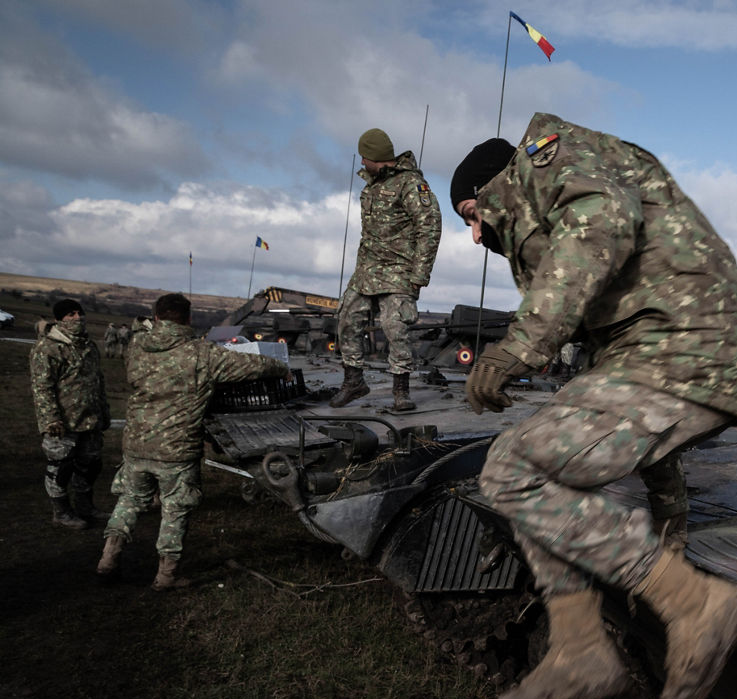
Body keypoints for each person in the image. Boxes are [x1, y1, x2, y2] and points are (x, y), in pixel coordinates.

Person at [450, 114, 737, 699]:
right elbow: (631, 415)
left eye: (470, 212)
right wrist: (670, 515)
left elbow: (597, 227)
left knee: (511, 468)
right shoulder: (560, 197)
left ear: (496, 184)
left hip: (686, 343)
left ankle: (690, 604)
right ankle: (578, 647)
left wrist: (522, 345)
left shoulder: (552, 160)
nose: (474, 233)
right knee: (533, 467)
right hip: (666, 350)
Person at [96, 293, 289, 590]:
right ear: (188, 318)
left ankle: (108, 559)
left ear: (156, 317)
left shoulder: (136, 348)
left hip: (136, 442)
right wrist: (281, 368)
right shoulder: (202, 354)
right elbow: (252, 366)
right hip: (176, 448)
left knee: (129, 501)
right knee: (175, 510)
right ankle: (166, 576)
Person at [330, 127, 441, 412]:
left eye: (364, 157)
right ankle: (354, 381)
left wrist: (419, 275)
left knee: (395, 328)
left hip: (399, 271)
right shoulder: (372, 185)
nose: (362, 163)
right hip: (367, 271)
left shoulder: (411, 184)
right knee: (346, 319)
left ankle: (401, 391)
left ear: (373, 157)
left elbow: (429, 228)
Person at [29, 298, 110, 529]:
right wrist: (51, 419)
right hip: (63, 423)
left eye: (79, 313)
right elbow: (41, 387)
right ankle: (61, 512)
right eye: (70, 314)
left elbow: (98, 381)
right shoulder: (48, 348)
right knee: (60, 469)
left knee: (90, 466)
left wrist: (103, 411)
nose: (77, 318)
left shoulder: (89, 346)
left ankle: (85, 507)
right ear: (58, 319)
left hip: (90, 420)